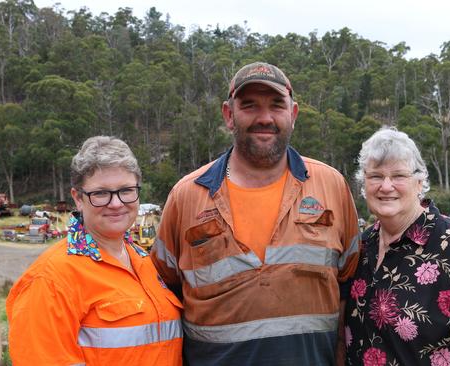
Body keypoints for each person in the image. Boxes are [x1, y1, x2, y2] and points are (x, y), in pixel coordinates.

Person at [151, 61, 360, 365]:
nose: (265, 118)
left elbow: (349, 284)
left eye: (277, 105)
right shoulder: (187, 196)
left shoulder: (331, 186)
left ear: (294, 113)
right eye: (249, 106)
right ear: (228, 115)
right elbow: (163, 291)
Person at [343, 126, 450, 365]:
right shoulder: (361, 247)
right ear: (363, 184)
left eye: (398, 176)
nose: (385, 186)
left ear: (419, 181)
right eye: (375, 176)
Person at [7, 136, 183, 365]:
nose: (116, 203)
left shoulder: (144, 261)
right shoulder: (51, 280)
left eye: (126, 190)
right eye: (101, 193)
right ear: (78, 198)